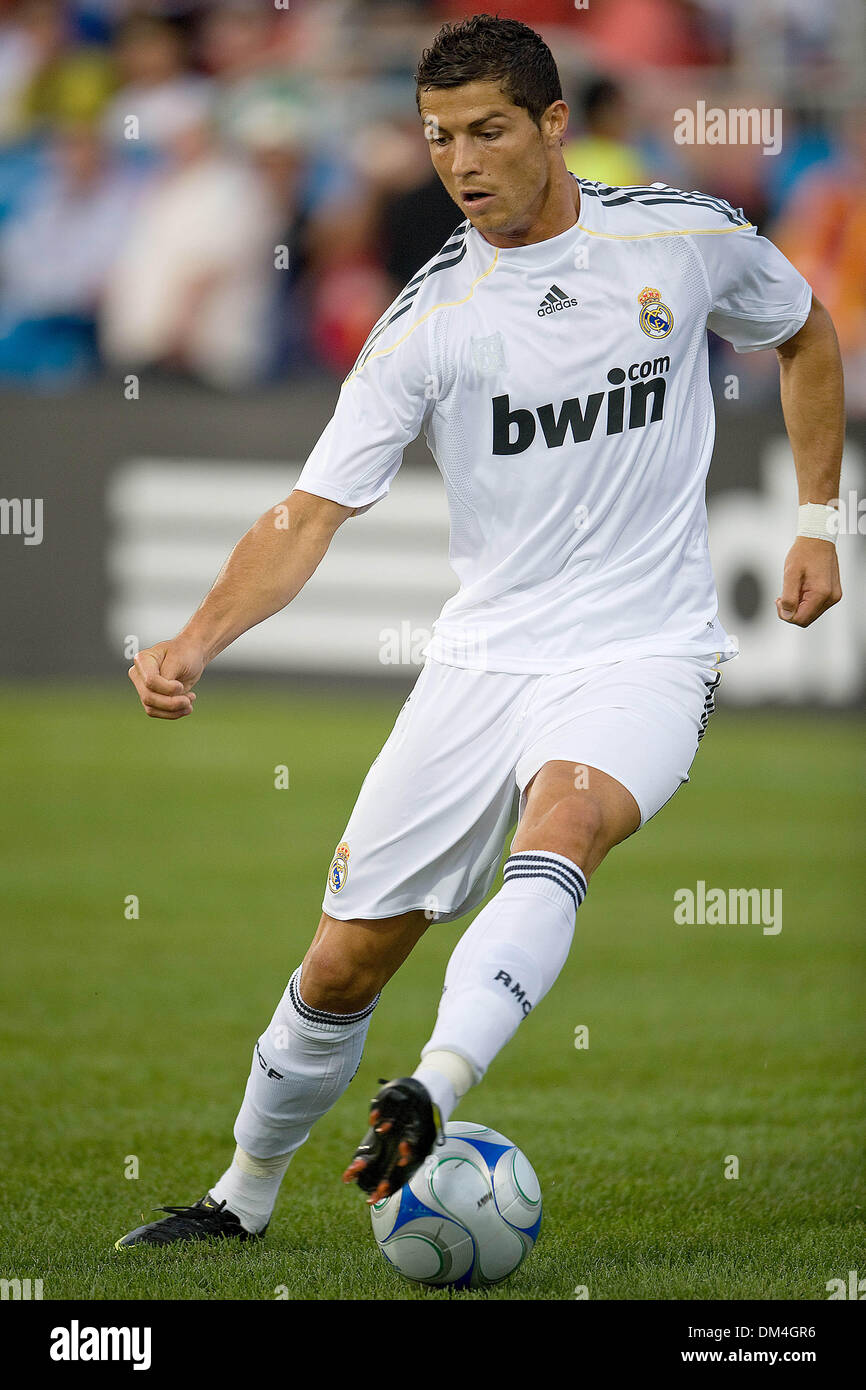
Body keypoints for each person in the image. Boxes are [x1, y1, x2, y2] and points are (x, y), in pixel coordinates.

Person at [117, 14, 843, 1247]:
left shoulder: (682, 237)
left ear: (554, 125)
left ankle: (431, 1087)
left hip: (645, 646)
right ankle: (240, 1197)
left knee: (560, 822)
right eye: (438, 137)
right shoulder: (429, 320)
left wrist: (820, 518)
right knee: (343, 964)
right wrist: (197, 638)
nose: (460, 161)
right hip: (482, 657)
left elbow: (804, 331)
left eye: (488, 131)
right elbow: (306, 515)